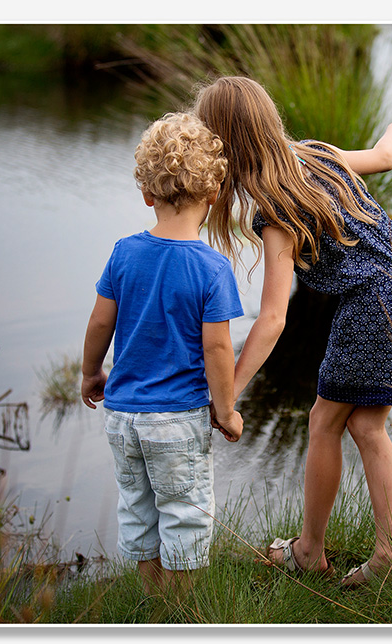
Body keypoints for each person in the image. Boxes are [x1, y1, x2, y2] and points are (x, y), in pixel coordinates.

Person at [193, 76, 392, 587]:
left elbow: (273, 318)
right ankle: (386, 556)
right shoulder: (317, 155)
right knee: (365, 426)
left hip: (375, 304)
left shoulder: (275, 210)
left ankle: (311, 551)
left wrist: (228, 396)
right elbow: (384, 158)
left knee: (326, 422)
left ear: (225, 148)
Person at [80, 112, 245, 594]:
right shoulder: (212, 268)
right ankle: (180, 612)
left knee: (138, 508)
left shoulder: (124, 253)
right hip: (176, 418)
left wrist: (91, 373)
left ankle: (152, 601)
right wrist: (226, 411)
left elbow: (100, 322)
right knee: (183, 514)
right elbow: (217, 347)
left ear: (147, 194)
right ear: (213, 194)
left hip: (123, 417)